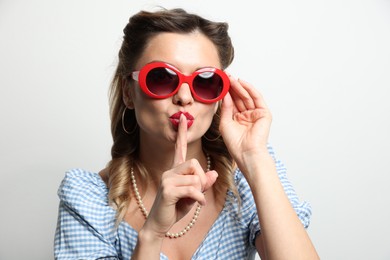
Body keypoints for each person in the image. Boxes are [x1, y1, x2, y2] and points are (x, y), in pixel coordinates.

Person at [54, 7, 319, 260]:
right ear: (128, 92)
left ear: (219, 96)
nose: (184, 97)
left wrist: (254, 158)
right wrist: (152, 233)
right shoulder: (87, 198)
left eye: (205, 81)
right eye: (161, 78)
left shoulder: (244, 180)